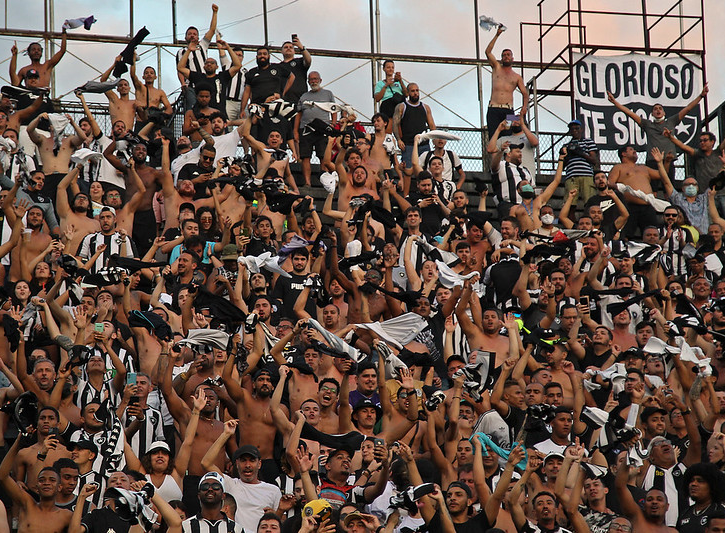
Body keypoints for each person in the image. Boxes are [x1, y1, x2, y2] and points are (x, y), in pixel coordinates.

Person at [607, 84, 708, 177]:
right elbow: (630, 113)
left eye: (660, 108)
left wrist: (701, 96)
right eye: (655, 109)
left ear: (664, 112)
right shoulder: (647, 124)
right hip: (652, 160)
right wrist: (615, 102)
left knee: (669, 190)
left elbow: (687, 109)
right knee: (653, 192)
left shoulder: (671, 122)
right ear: (652, 114)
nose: (658, 110)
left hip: (668, 159)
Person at [484, 24, 529, 135]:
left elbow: (525, 93)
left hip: (509, 110)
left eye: (508, 55)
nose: (506, 56)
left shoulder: (516, 76)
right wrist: (497, 35)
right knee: (493, 137)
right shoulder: (496, 68)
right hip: (493, 108)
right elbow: (488, 52)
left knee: (508, 137)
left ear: (512, 58)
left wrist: (524, 108)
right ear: (501, 58)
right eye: (504, 55)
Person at [294, 71, 336, 187]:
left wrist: (332, 124)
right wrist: (295, 131)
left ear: (320, 80)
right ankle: (308, 183)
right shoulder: (304, 96)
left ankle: (324, 182)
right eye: (311, 79)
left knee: (323, 156)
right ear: (308, 82)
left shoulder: (328, 94)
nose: (313, 81)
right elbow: (299, 114)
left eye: (315, 79)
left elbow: (334, 109)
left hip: (322, 129)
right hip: (306, 129)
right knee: (305, 156)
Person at [393, 83, 436, 172]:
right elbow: (395, 124)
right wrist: (398, 139)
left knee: (425, 171)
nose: (415, 93)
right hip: (408, 145)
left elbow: (432, 125)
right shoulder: (401, 107)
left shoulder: (425, 107)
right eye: (413, 91)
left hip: (424, 145)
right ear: (408, 93)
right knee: (408, 170)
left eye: (417, 90)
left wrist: (435, 140)